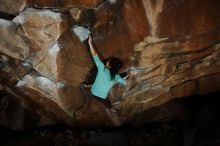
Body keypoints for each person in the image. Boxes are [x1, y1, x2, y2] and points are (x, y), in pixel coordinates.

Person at [82, 34, 129, 112]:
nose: (106, 62)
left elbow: (95, 55)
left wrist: (90, 43)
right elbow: (125, 82)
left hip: (93, 91)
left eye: (108, 62)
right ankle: (112, 109)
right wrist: (127, 76)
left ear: (110, 66)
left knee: (97, 77)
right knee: (108, 103)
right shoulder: (116, 77)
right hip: (102, 97)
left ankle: (89, 84)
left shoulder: (102, 68)